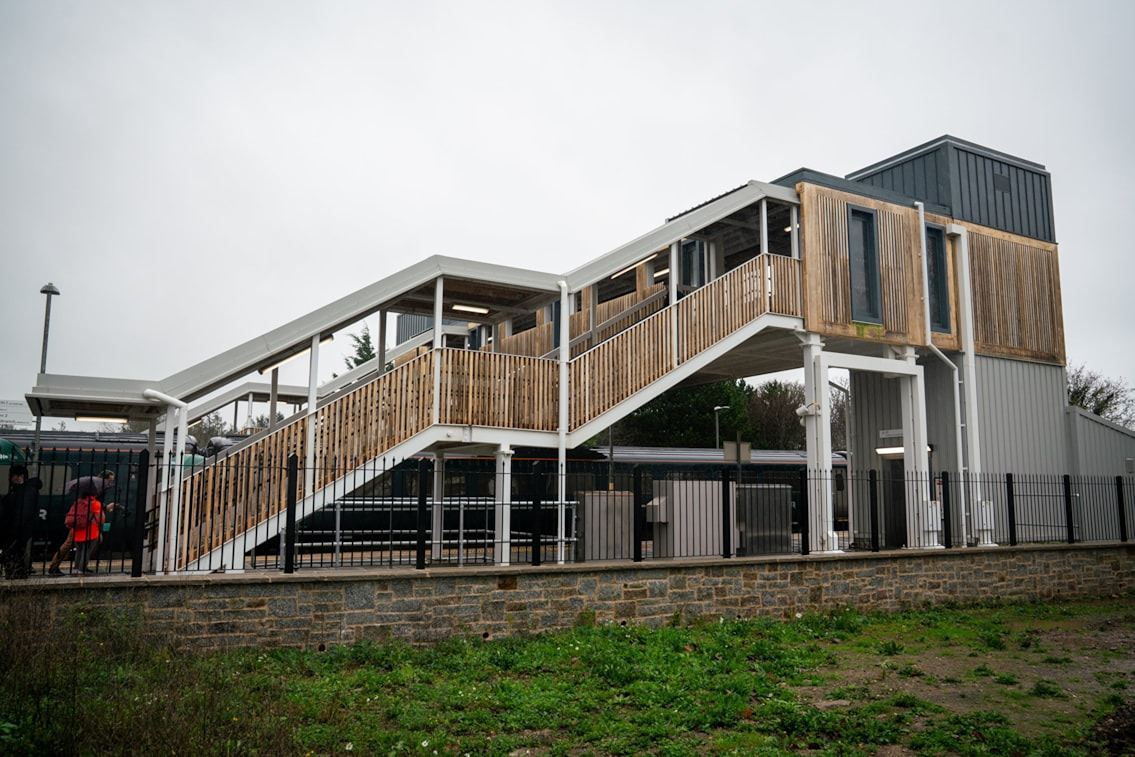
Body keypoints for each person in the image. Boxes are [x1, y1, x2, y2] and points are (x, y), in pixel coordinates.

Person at [48, 471, 115, 576]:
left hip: (88, 520)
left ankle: (81, 565)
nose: (110, 483)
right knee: (70, 543)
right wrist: (105, 507)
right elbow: (92, 504)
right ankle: (55, 566)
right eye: (109, 480)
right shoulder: (94, 488)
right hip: (83, 521)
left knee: (97, 540)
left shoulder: (99, 489)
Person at [0, 465, 42, 579]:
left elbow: (23, 513)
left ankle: (16, 576)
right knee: (16, 555)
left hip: (16, 532)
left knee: (14, 555)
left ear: (20, 476)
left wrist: (13, 531)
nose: (11, 478)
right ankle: (16, 575)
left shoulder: (25, 491)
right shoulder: (20, 490)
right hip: (15, 531)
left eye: (13, 475)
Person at [65, 489, 105, 575]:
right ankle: (82, 569)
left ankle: (76, 568)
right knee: (86, 551)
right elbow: (100, 519)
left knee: (79, 550)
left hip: (77, 531)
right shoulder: (96, 504)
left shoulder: (77, 502)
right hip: (91, 532)